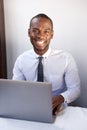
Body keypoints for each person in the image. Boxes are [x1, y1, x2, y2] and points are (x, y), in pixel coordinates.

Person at [12, 13, 80, 115]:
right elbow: (16, 88)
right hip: (30, 109)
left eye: (46, 32)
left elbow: (75, 89)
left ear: (52, 34)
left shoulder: (66, 58)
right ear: (29, 32)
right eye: (35, 31)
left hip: (58, 110)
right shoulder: (21, 60)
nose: (40, 36)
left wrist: (61, 98)